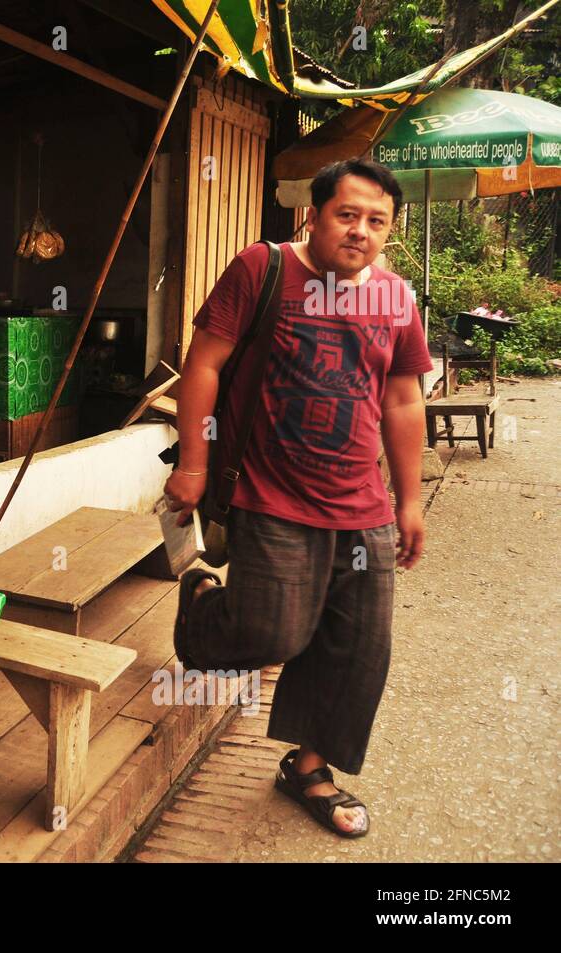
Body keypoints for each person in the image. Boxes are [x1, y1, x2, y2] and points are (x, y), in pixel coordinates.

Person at [165, 157, 434, 839]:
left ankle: (308, 768)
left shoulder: (396, 299)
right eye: (347, 215)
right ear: (312, 215)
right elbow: (203, 363)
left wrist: (410, 501)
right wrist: (194, 461)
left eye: (377, 221)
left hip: (363, 503)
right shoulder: (265, 269)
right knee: (274, 630)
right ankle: (201, 606)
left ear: (389, 233)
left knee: (358, 647)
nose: (360, 232)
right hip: (271, 491)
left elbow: (403, 401)